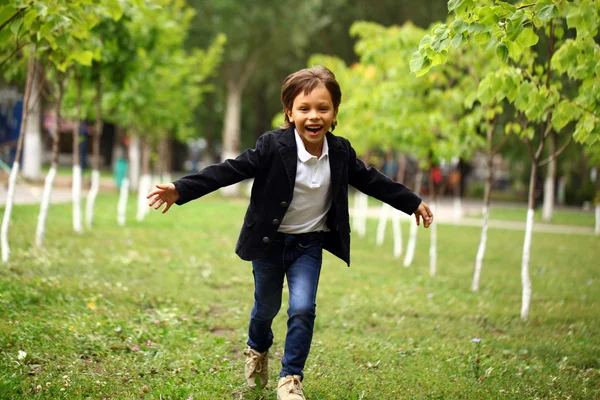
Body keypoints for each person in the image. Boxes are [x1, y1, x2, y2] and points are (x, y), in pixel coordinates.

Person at [147, 66, 433, 400]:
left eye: (322, 108)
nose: (314, 116)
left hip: (308, 245)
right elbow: (231, 170)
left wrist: (411, 202)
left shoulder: (339, 152)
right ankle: (257, 348)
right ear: (290, 112)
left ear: (335, 112)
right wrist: (181, 190)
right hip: (269, 244)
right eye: (305, 108)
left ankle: (290, 378)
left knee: (302, 308)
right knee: (265, 308)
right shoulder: (272, 145)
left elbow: (372, 180)